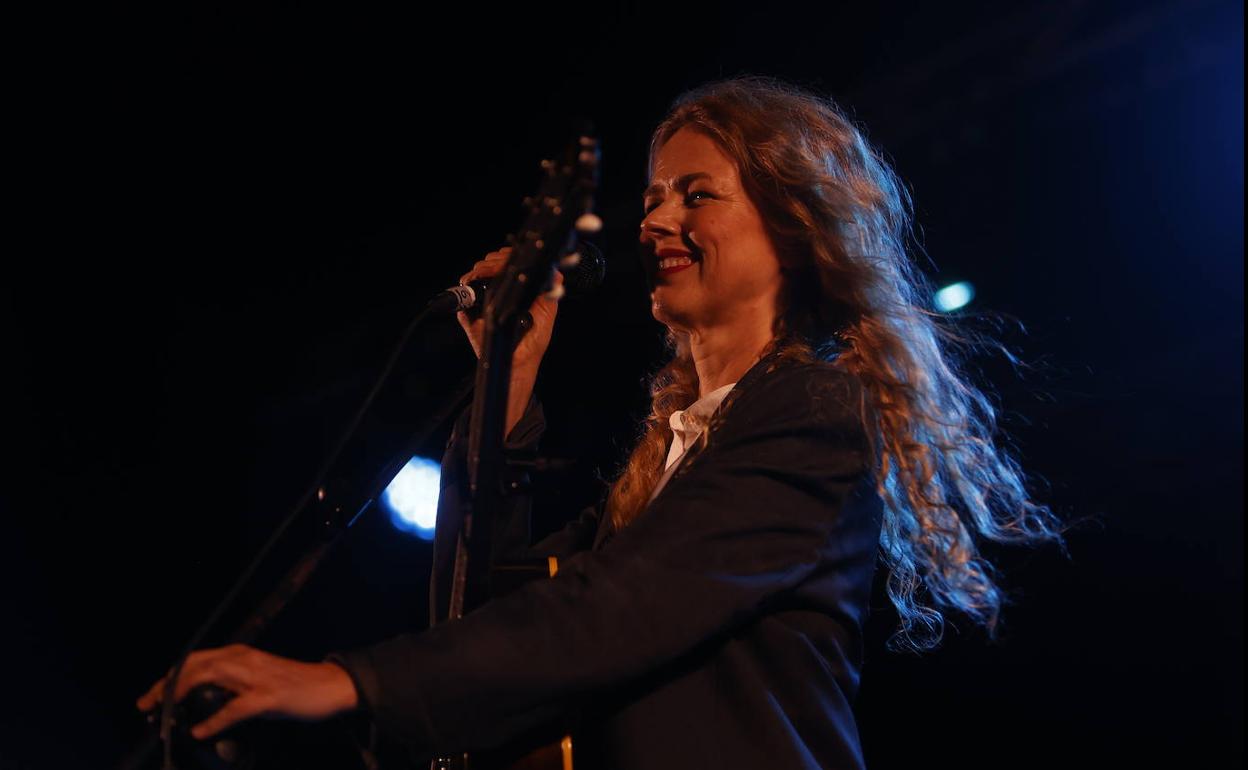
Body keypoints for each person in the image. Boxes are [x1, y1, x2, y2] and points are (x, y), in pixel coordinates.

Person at [138, 76, 1063, 769]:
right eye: (655, 195)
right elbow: (490, 602)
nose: (657, 216)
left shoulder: (815, 414)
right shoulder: (671, 452)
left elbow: (615, 609)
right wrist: (509, 379)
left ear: (792, 223)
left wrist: (347, 682)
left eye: (696, 193)